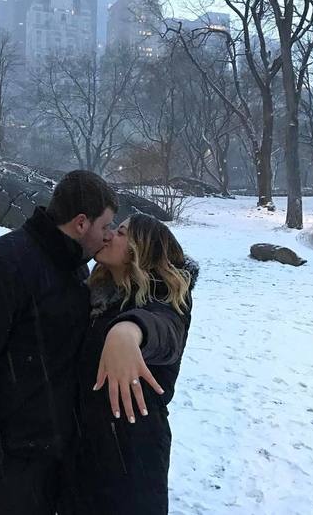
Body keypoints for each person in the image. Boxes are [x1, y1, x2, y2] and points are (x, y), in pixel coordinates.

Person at [0, 170, 120, 515]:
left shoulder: (73, 268)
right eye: (105, 226)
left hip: (40, 462)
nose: (109, 236)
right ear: (81, 223)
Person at [75, 213, 199, 515]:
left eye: (120, 232)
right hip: (81, 451)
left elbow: (166, 332)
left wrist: (128, 330)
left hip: (132, 456)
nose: (109, 236)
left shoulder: (166, 299)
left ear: (141, 249)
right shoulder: (95, 295)